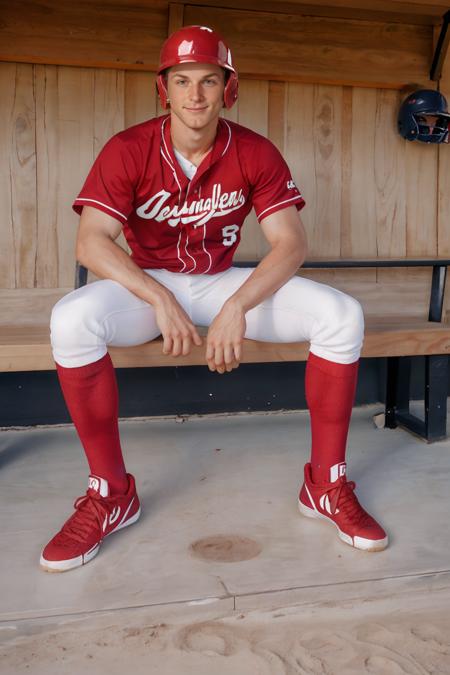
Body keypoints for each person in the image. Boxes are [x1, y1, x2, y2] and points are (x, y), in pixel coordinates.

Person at [40, 25, 388, 573]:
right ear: (165, 90)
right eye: (183, 81)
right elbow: (91, 243)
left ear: (229, 88)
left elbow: (290, 244)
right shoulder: (128, 148)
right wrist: (157, 296)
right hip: (148, 283)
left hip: (224, 281)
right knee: (71, 320)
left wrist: (237, 307)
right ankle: (111, 493)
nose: (196, 95)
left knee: (341, 314)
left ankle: (325, 484)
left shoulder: (253, 151)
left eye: (208, 80)